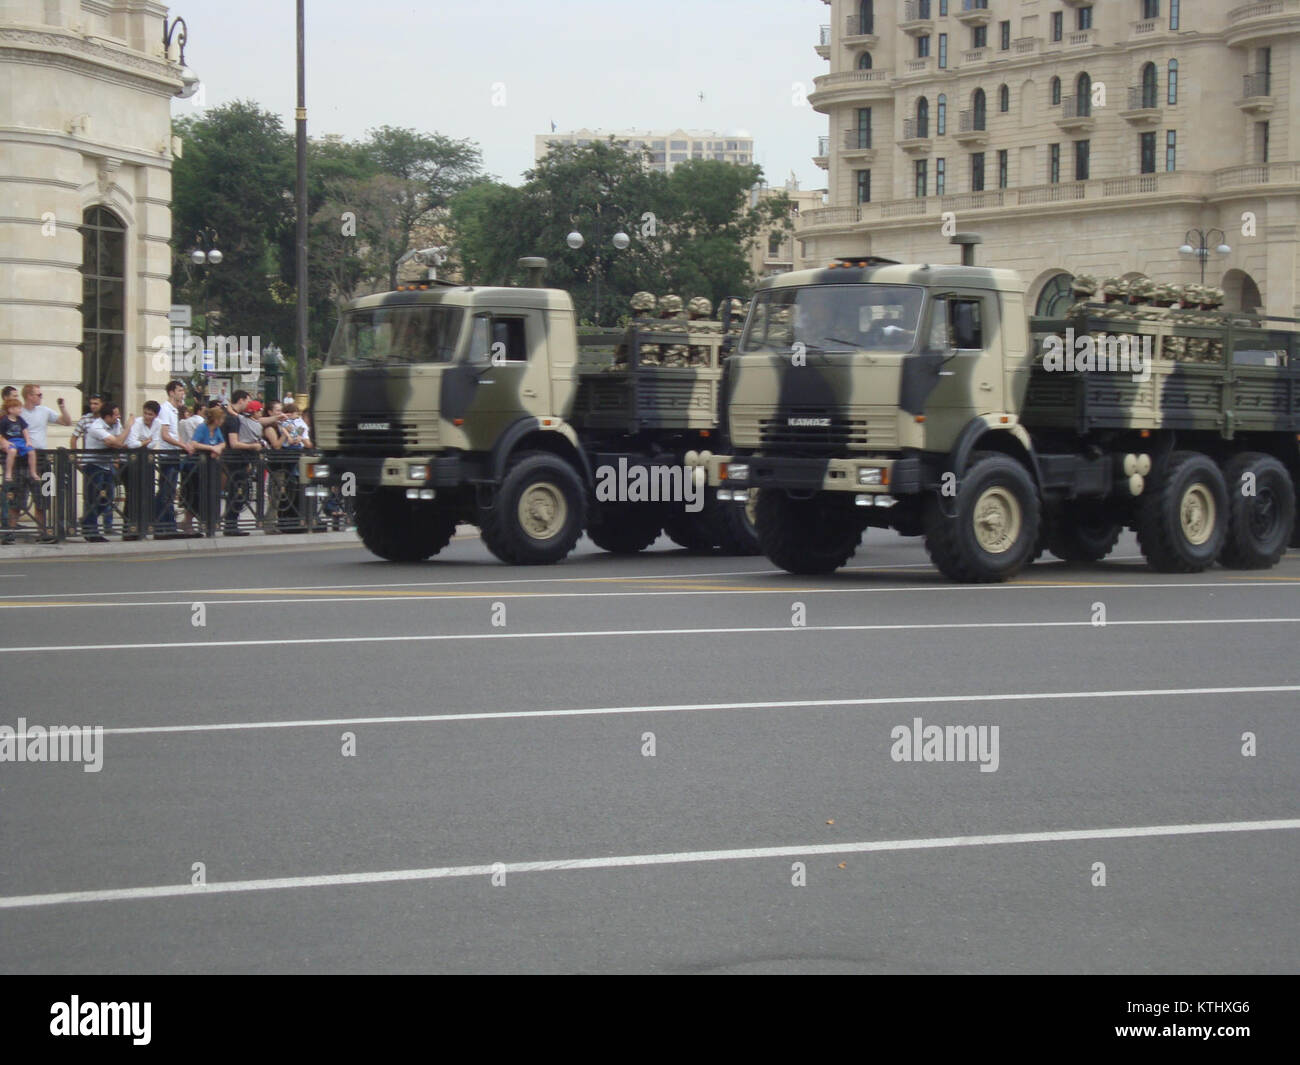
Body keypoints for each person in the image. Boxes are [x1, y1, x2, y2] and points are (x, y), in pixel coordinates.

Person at [17, 384, 70, 541]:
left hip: (43, 457)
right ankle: (10, 531)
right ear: (29, 396)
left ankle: (43, 532)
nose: (41, 397)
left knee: (43, 497)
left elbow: (66, 422)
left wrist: (62, 407)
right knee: (18, 497)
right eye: (38, 395)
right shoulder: (19, 412)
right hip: (22, 457)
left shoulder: (45, 411)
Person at [80, 400, 128, 541]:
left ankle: (87, 521)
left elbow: (119, 443)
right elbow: (118, 442)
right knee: (93, 499)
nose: (118, 417)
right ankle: (91, 531)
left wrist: (116, 443)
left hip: (107, 465)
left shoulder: (116, 424)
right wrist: (128, 429)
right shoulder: (96, 427)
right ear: (107, 417)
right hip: (93, 465)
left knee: (108, 499)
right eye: (115, 415)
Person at [153, 380, 193, 536]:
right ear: (171, 392)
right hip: (168, 454)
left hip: (174, 453)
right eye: (179, 390)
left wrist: (184, 445)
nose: (182, 393)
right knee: (166, 491)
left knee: (169, 490)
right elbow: (165, 434)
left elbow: (174, 434)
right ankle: (164, 526)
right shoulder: (165, 409)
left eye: (183, 390)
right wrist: (182, 445)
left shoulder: (175, 410)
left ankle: (167, 525)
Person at [122, 401, 162, 540]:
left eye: (150, 414)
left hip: (146, 462)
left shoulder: (158, 424)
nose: (147, 416)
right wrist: (144, 442)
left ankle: (142, 528)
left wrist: (143, 443)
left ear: (156, 415)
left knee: (146, 494)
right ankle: (129, 529)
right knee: (132, 495)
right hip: (132, 462)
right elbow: (131, 444)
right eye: (145, 413)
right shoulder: (137, 423)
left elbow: (154, 443)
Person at [186, 403, 226, 532]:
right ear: (215, 419)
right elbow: (194, 443)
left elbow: (223, 442)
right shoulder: (202, 427)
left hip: (208, 469)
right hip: (195, 467)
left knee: (207, 495)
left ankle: (206, 522)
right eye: (221, 419)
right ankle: (189, 523)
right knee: (195, 495)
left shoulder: (217, 430)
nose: (223, 421)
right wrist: (211, 448)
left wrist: (218, 448)